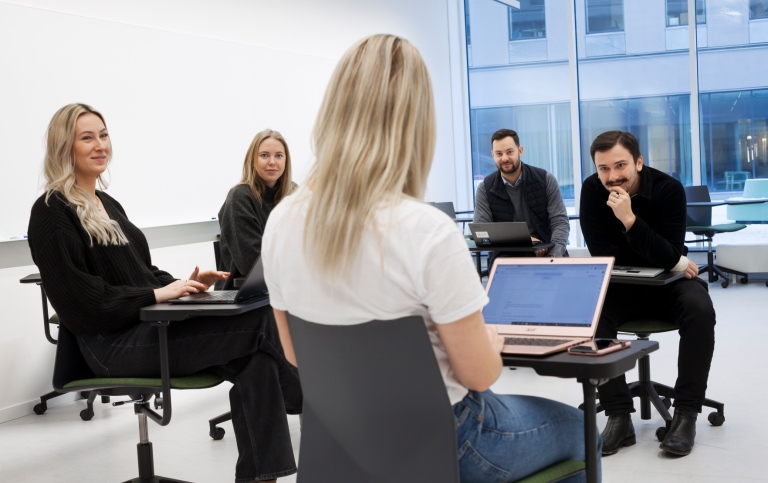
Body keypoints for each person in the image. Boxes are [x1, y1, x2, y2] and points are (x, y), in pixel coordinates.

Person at [262, 34, 600, 482]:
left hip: (342, 436)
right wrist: (490, 346)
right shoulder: (424, 230)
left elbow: (296, 353)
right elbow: (478, 376)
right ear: (416, 123)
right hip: (445, 437)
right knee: (582, 429)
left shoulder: (282, 221)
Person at [27, 103, 302, 483]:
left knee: (258, 362)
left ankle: (261, 479)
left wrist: (184, 282)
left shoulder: (108, 205)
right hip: (108, 346)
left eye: (103, 135)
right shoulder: (51, 211)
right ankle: (319, 407)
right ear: (64, 147)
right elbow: (80, 304)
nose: (100, 145)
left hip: (145, 329)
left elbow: (142, 273)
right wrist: (157, 296)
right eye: (86, 138)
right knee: (262, 321)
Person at [579, 130, 716, 457]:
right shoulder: (590, 190)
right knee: (591, 312)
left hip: (669, 286)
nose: (612, 177)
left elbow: (669, 255)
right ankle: (618, 415)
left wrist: (628, 220)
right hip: (622, 288)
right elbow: (603, 255)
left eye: (620, 165)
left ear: (639, 162)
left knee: (700, 308)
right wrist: (668, 256)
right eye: (603, 169)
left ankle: (685, 414)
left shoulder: (669, 190)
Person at [217, 129, 295, 290]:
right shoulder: (240, 196)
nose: (272, 162)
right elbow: (252, 264)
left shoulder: (294, 193)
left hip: (284, 287)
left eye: (279, 155)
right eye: (264, 155)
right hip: (243, 297)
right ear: (252, 160)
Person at [473, 128, 570, 258]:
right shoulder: (484, 188)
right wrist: (526, 241)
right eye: (499, 154)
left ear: (520, 151)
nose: (504, 158)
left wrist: (553, 256)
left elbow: (560, 222)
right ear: (493, 155)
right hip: (506, 257)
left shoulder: (546, 179)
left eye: (509, 152)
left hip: (547, 251)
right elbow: (482, 232)